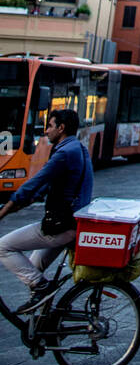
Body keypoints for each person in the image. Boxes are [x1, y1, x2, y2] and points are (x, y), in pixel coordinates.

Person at [0, 109, 93, 311]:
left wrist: (4, 211)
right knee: (33, 269)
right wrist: (23, 201)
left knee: (3, 247)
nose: (46, 132)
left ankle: (43, 289)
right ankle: (49, 322)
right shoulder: (78, 148)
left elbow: (35, 182)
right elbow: (45, 187)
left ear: (61, 128)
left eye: (50, 126)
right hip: (74, 223)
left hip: (61, 226)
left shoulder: (64, 153)